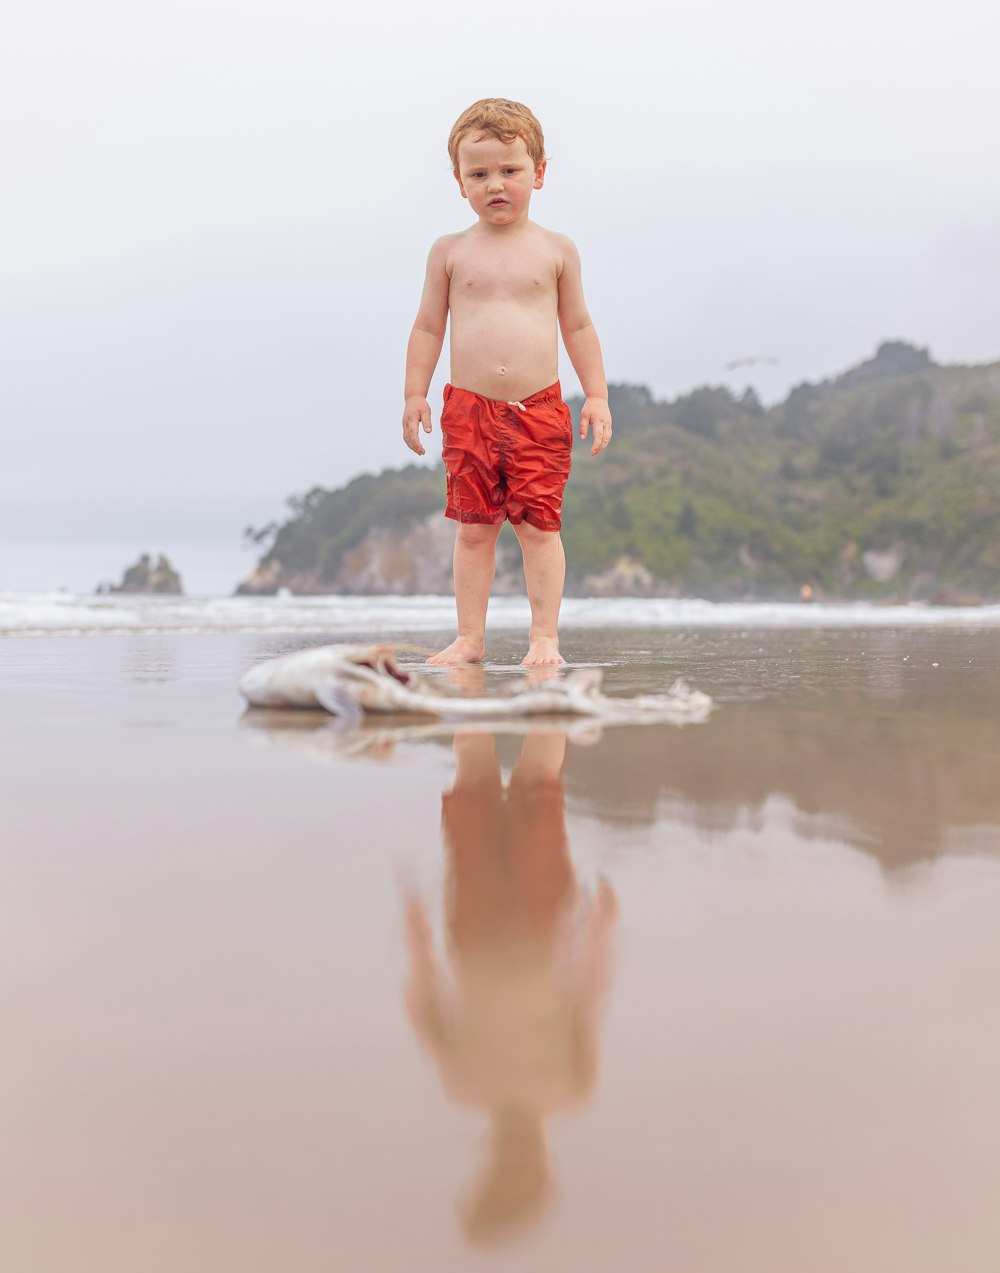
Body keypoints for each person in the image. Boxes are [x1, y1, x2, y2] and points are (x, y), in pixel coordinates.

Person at [402, 98, 613, 666]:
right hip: (468, 410)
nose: (495, 184)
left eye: (510, 171)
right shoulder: (448, 252)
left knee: (538, 528)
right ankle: (469, 639)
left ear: (539, 173)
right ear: (459, 182)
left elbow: (578, 324)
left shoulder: (556, 250)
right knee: (474, 531)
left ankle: (545, 637)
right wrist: (413, 394)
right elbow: (427, 327)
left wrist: (596, 394)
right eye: (479, 174)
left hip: (538, 409)